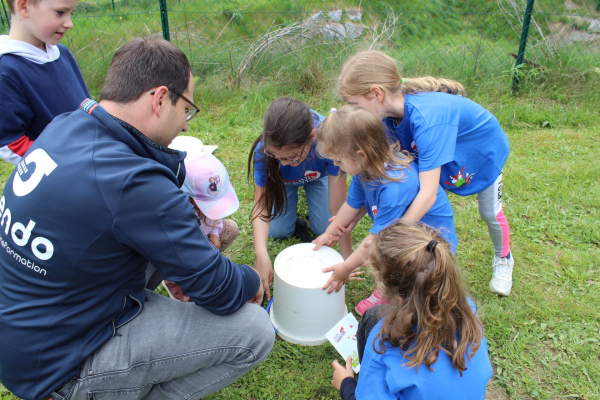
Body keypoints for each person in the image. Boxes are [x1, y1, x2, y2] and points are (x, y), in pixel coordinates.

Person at [0, 37, 274, 400]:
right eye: (187, 110)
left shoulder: (64, 125)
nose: (187, 127)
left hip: (24, 330)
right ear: (160, 99)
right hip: (60, 363)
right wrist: (253, 281)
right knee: (255, 330)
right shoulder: (134, 182)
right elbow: (216, 288)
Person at [337, 50, 514, 296]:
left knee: (489, 212)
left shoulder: (427, 120)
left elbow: (428, 193)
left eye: (355, 104)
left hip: (481, 156)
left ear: (376, 94)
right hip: (442, 156)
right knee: (421, 210)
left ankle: (503, 257)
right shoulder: (384, 117)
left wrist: (390, 239)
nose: (353, 111)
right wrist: (351, 219)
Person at [312, 105, 457, 316]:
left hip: (430, 246)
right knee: (385, 251)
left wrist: (346, 268)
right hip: (406, 233)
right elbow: (350, 206)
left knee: (400, 270)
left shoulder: (394, 188)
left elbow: (375, 241)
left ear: (360, 154)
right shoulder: (364, 169)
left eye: (339, 159)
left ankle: (393, 293)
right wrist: (329, 233)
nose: (335, 164)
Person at [331, 220, 493, 400]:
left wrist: (346, 384)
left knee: (372, 317)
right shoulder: (468, 310)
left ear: (398, 298)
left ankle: (367, 383)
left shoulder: (383, 344)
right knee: (372, 316)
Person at [248, 97, 352, 300]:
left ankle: (307, 199)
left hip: (317, 176)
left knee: (325, 229)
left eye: (291, 157)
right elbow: (262, 205)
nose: (284, 163)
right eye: (276, 157)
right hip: (283, 182)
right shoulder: (265, 151)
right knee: (277, 231)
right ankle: (293, 212)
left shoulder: (330, 141)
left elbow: (339, 208)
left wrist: (346, 260)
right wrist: (261, 254)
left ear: (312, 137)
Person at [0, 0, 89, 164]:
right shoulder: (7, 71)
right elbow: (9, 143)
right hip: (64, 173)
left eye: (72, 13)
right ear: (24, 7)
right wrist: (62, 161)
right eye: (60, 13)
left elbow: (85, 106)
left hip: (91, 156)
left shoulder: (62, 53)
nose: (70, 23)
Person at [164, 137, 241, 301]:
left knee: (231, 228)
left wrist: (214, 232)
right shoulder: (176, 212)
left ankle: (206, 272)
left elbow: (216, 219)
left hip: (202, 242)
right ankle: (176, 284)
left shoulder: (207, 190)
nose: (213, 210)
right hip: (180, 250)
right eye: (207, 205)